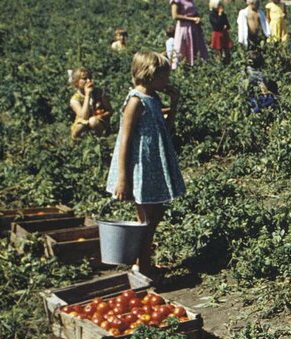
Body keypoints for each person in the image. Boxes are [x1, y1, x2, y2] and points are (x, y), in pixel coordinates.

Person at [106, 51, 185, 281]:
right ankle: (141, 267)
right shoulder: (135, 101)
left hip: (153, 166)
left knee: (155, 214)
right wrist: (122, 177)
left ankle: (143, 263)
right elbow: (124, 140)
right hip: (139, 167)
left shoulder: (153, 98)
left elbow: (165, 128)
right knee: (147, 218)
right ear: (150, 75)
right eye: (164, 77)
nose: (167, 81)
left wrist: (175, 104)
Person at [69, 68, 112, 140]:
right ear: (76, 82)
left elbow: (110, 110)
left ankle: (101, 140)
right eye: (84, 79)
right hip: (84, 124)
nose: (88, 81)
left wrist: (102, 115)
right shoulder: (75, 100)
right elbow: (83, 117)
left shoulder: (99, 93)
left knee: (93, 121)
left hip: (99, 122)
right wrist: (87, 95)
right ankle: (77, 144)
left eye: (90, 78)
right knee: (79, 127)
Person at [170, 0, 209, 66]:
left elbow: (194, 13)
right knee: (183, 49)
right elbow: (175, 16)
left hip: (194, 28)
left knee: (196, 49)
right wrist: (192, 19)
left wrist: (198, 19)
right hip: (184, 28)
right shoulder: (176, 1)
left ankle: (196, 67)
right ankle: (182, 68)